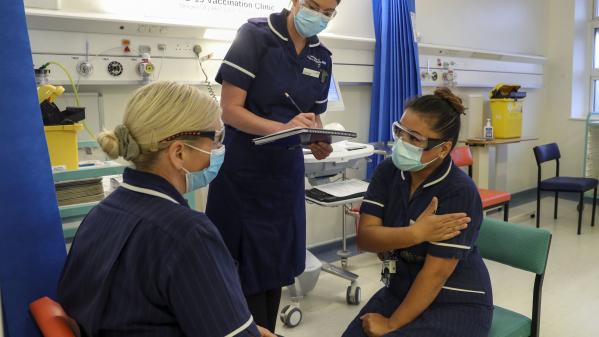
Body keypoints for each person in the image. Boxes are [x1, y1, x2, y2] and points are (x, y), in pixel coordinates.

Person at [58, 81, 275, 337]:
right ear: (179, 153)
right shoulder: (189, 234)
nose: (218, 149)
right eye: (215, 139)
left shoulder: (102, 212)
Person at [205, 0, 341, 332]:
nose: (319, 16)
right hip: (243, 174)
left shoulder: (321, 57)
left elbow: (312, 115)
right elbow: (230, 111)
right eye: (313, 6)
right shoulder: (255, 36)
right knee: (239, 273)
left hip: (285, 177)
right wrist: (284, 130)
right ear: (295, 1)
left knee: (276, 268)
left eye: (328, 12)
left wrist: (317, 138)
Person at [342, 88, 493, 337]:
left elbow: (435, 274)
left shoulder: (459, 191)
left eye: (414, 139)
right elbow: (366, 238)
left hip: (455, 301)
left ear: (443, 149)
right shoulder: (388, 172)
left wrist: (391, 325)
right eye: (400, 131)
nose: (402, 142)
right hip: (401, 288)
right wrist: (415, 233)